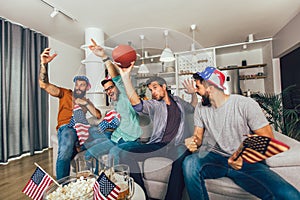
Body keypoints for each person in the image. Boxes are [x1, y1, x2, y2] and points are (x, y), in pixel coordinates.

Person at [182, 66, 300, 200]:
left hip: (247, 162)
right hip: (216, 158)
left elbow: (268, 139)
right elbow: (198, 136)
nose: (195, 91)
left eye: (198, 87)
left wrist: (243, 156)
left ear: (210, 87)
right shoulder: (200, 108)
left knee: (291, 196)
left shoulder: (245, 104)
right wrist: (193, 141)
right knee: (189, 163)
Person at [116, 63, 198, 200]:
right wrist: (126, 78)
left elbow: (192, 108)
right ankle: (140, 194)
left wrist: (193, 94)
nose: (152, 92)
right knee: (125, 152)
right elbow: (137, 105)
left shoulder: (178, 101)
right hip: (159, 145)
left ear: (164, 87)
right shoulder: (154, 105)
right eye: (150, 90)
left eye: (155, 88)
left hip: (178, 145)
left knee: (182, 159)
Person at [39, 47, 101, 180]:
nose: (78, 87)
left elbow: (98, 115)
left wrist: (85, 104)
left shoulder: (86, 101)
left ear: (87, 88)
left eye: (82, 85)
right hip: (68, 127)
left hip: (81, 131)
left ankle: (93, 176)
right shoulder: (66, 93)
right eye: (77, 84)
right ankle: (62, 185)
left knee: (101, 132)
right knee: (67, 140)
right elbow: (44, 85)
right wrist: (44, 64)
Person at [84, 39, 143, 164]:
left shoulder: (125, 95)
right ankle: (94, 179)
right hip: (116, 137)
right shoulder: (114, 102)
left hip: (130, 140)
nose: (109, 91)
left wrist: (104, 57)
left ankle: (116, 180)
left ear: (117, 86)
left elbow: (116, 77)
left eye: (111, 87)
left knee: (113, 154)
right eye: (106, 90)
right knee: (89, 153)